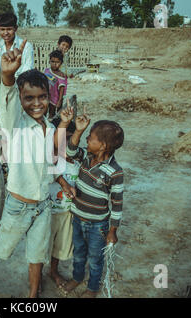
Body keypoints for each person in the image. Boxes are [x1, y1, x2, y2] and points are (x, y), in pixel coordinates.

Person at [0, 40, 70, 298]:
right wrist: (8, 76)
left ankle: (33, 294)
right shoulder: (16, 125)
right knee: (2, 247)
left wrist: (65, 183)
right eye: (29, 98)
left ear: (50, 96)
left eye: (42, 97)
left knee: (37, 252)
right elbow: (8, 101)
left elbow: (52, 161)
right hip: (19, 205)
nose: (37, 103)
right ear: (21, 99)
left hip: (43, 204)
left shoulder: (48, 125)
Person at [58, 107, 125, 298]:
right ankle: (77, 277)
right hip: (78, 218)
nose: (87, 140)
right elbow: (70, 151)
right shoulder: (87, 158)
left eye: (90, 138)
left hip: (98, 225)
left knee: (96, 260)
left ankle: (92, 288)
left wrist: (113, 231)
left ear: (103, 145)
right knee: (78, 254)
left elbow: (117, 204)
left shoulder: (115, 172)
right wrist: (78, 130)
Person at [47, 118, 79, 290]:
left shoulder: (78, 161)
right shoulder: (50, 158)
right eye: (62, 139)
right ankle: (34, 278)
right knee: (41, 246)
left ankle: (53, 271)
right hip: (47, 211)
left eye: (71, 139)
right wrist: (63, 184)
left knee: (59, 247)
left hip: (67, 212)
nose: (66, 144)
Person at [0, 12, 34, 111]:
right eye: (2, 29)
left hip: (19, 83)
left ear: (15, 28)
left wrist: (12, 72)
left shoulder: (26, 46)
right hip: (2, 82)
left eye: (9, 29)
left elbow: (28, 70)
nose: (5, 33)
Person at [44, 50, 68, 121]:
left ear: (61, 63)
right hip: (45, 96)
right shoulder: (46, 71)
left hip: (55, 98)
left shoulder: (61, 75)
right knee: (43, 112)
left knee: (52, 113)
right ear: (49, 61)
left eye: (57, 62)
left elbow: (61, 89)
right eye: (52, 61)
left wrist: (60, 100)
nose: (55, 64)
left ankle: (52, 127)